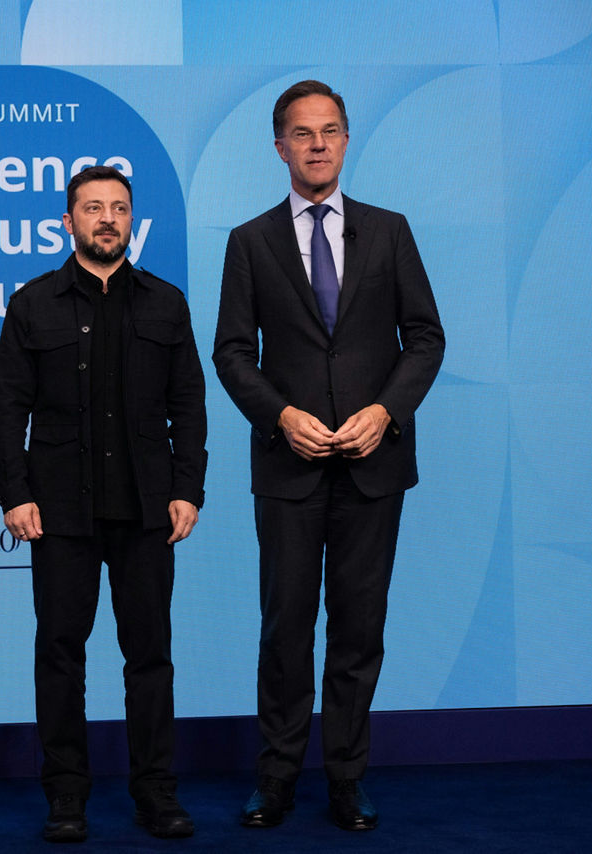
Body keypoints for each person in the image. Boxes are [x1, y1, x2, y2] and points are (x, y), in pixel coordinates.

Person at [212, 80, 445, 832]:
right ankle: (275, 779)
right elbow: (230, 352)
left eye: (331, 130)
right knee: (285, 629)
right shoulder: (249, 242)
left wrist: (386, 410)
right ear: (279, 146)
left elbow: (426, 337)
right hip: (288, 467)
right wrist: (281, 416)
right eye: (302, 133)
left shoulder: (390, 230)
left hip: (375, 467)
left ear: (347, 141)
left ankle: (347, 779)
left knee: (358, 628)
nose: (318, 144)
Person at [0, 165, 208, 842]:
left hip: (147, 510)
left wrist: (186, 487)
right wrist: (15, 494)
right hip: (60, 513)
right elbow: (9, 414)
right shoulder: (32, 305)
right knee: (59, 654)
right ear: (68, 221)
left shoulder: (167, 303)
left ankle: (156, 793)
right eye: (92, 208)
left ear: (131, 221)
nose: (106, 218)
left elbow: (189, 407)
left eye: (118, 208)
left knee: (150, 656)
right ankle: (65, 797)